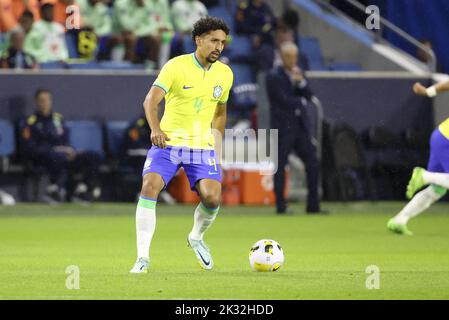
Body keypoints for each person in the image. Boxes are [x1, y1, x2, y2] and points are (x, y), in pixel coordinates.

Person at [130, 17, 233, 273]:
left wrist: (216, 148)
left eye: (222, 42)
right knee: (150, 186)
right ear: (198, 40)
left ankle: (196, 237)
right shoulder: (176, 66)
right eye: (213, 41)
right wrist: (156, 129)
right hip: (169, 143)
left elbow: (220, 113)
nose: (218, 47)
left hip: (202, 146)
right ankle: (142, 258)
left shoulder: (225, 74)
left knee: (212, 197)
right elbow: (150, 102)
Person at [266, 41, 322, 214]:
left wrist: (301, 83)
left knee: (312, 162)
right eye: (288, 56)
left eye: (294, 56)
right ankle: (281, 206)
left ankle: (313, 206)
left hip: (300, 128)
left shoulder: (298, 74)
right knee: (281, 166)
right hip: (283, 128)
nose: (292, 60)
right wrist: (301, 102)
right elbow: (283, 100)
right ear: (282, 57)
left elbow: (309, 95)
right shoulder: (273, 75)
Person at [388, 79, 449, 235]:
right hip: (446, 140)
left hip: (441, 136)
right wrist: (429, 91)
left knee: (438, 189)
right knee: (435, 182)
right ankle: (425, 176)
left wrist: (429, 91)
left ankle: (399, 220)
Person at [20, 89, 102, 203]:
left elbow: (65, 140)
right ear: (37, 102)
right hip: (43, 157)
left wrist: (71, 150)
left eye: (47, 100)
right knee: (57, 157)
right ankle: (54, 190)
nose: (45, 103)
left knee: (93, 155)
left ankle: (82, 189)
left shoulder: (58, 119)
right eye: (42, 101)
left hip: (63, 155)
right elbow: (29, 147)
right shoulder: (30, 122)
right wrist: (53, 150)